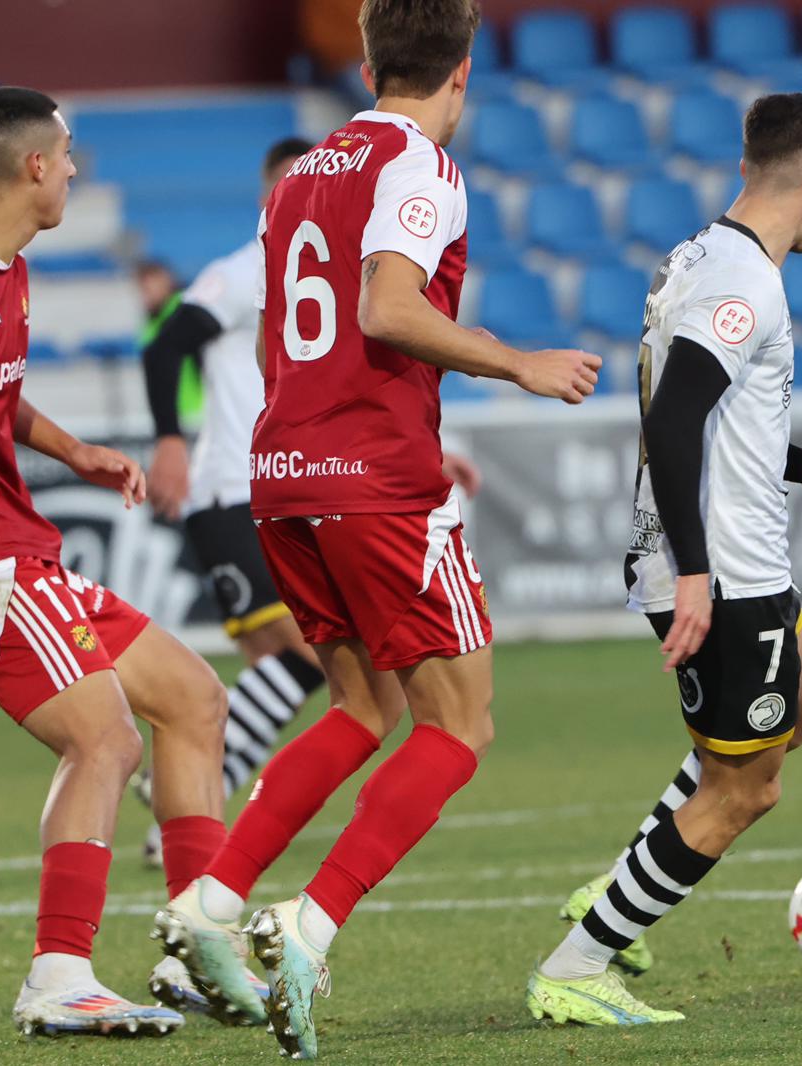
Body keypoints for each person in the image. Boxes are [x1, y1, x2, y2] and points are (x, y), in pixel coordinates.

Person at [150, 0, 601, 1058]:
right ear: (464, 69)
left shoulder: (300, 175)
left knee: (360, 703)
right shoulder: (423, 169)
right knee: (457, 725)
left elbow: (287, 339)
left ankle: (210, 902)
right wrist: (514, 360)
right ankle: (307, 927)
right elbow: (386, 310)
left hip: (281, 466)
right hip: (372, 481)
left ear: (364, 64)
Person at [0, 87, 230, 1038]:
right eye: (69, 155)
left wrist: (73, 450)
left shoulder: (8, 268)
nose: (77, 169)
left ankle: (196, 945)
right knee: (105, 739)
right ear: (33, 167)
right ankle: (59, 973)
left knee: (194, 697)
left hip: (18, 543)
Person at [527, 92, 802, 1026]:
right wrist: (697, 575)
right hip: (727, 571)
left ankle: (624, 889)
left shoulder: (700, 256)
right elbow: (673, 422)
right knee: (746, 791)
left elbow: (713, 418)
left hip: (743, 557)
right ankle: (578, 960)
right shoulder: (746, 281)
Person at [134, 135, 482, 899]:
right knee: (318, 672)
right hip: (236, 486)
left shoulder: (325, 260)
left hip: (279, 478)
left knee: (324, 683)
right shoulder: (240, 268)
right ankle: (196, 798)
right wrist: (168, 441)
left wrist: (439, 447)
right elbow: (169, 349)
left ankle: (202, 816)